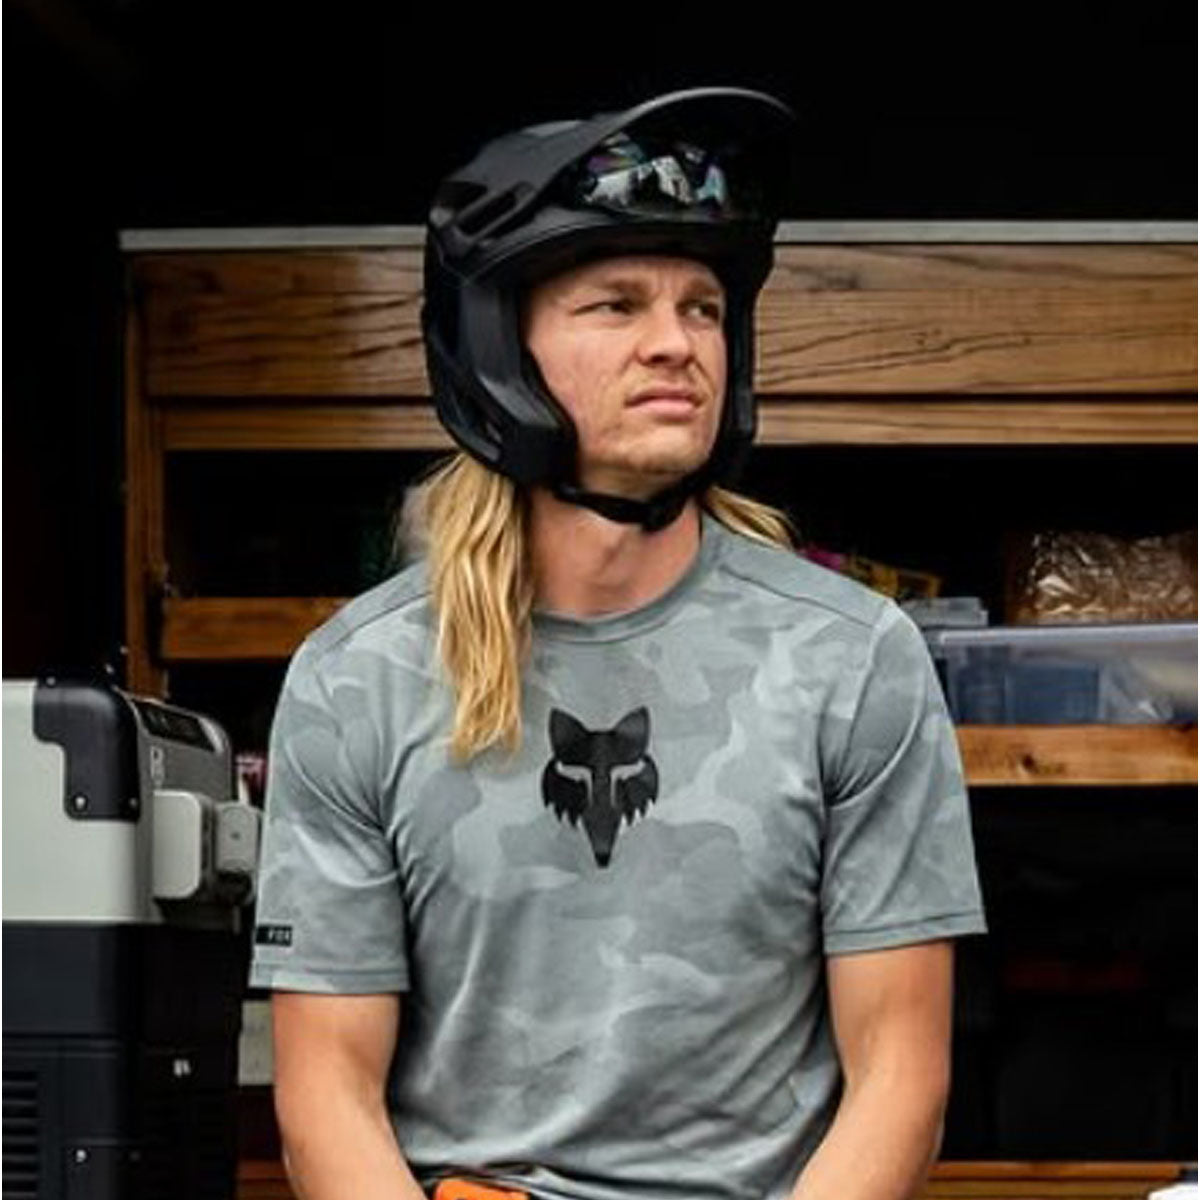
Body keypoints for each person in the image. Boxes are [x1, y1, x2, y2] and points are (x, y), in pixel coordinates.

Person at [249, 87, 987, 1200]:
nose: (675, 344)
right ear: (499, 346)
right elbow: (326, 1097)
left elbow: (900, 1078)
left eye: (703, 308)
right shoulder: (362, 680)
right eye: (616, 305)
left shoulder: (850, 660)